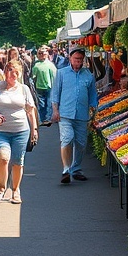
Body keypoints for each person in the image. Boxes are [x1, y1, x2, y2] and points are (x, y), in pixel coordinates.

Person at [0, 61, 38, 204]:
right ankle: (2, 188)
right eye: (9, 71)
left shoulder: (24, 89)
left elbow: (30, 111)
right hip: (1, 131)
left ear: (19, 73)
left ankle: (15, 190)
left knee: (18, 162)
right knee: (3, 159)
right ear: (5, 72)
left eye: (15, 72)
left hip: (21, 131)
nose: (12, 75)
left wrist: (34, 129)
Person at [49, 45, 98, 184]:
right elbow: (55, 93)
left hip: (82, 114)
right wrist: (55, 110)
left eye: (81, 59)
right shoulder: (61, 73)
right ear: (70, 58)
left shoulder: (88, 74)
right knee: (67, 138)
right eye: (76, 59)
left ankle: (76, 168)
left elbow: (92, 94)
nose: (78, 62)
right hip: (65, 114)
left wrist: (94, 109)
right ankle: (66, 169)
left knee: (81, 143)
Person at [31, 47, 58, 127]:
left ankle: (48, 119)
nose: (42, 55)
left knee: (49, 103)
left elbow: (55, 76)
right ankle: (43, 119)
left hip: (49, 87)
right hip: (39, 87)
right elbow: (33, 77)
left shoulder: (50, 64)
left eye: (44, 53)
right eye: (40, 53)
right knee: (42, 104)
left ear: (47, 54)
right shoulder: (36, 65)